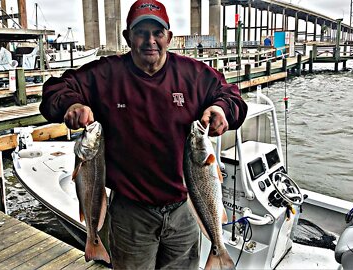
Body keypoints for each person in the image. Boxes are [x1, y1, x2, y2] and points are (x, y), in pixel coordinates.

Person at [39, 0, 247, 269]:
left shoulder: (193, 75)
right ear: (128, 37)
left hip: (185, 208)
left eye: (157, 33)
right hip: (130, 214)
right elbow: (54, 90)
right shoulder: (106, 74)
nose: (150, 41)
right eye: (141, 32)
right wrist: (72, 104)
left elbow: (232, 96)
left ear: (169, 37)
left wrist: (221, 109)